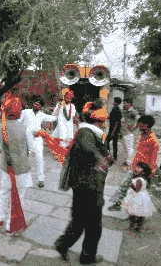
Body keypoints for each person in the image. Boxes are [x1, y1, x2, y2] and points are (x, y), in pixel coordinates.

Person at [50, 99, 113, 264]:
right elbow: (87, 149)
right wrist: (99, 159)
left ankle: (63, 245)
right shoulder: (86, 134)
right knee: (93, 225)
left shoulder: (91, 133)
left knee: (79, 222)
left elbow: (97, 153)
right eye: (104, 120)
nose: (105, 123)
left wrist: (106, 158)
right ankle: (86, 256)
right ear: (98, 119)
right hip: (88, 187)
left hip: (86, 186)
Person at [0, 93, 31, 236]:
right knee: (19, 196)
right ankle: (10, 225)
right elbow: (31, 147)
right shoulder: (24, 128)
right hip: (21, 168)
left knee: (4, 192)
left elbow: (0, 146)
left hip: (6, 167)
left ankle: (0, 218)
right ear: (17, 111)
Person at [109, 115, 159, 211]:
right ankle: (119, 204)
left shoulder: (153, 140)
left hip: (144, 170)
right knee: (125, 185)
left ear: (146, 125)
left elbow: (154, 159)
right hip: (135, 167)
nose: (138, 127)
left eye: (140, 125)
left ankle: (138, 212)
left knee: (140, 191)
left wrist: (150, 174)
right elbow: (138, 152)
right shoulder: (141, 136)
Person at [18, 99, 57, 188]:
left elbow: (53, 118)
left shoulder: (42, 115)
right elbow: (19, 122)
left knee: (39, 157)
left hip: (37, 138)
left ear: (40, 107)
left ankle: (41, 179)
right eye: (35, 103)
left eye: (38, 104)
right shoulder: (25, 112)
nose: (36, 105)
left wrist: (58, 108)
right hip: (26, 138)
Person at [121, 162, 154, 232]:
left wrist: (131, 185)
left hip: (136, 197)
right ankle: (139, 227)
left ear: (143, 172)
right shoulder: (144, 179)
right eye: (137, 167)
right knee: (141, 214)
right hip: (143, 196)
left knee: (132, 213)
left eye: (139, 168)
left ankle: (132, 226)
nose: (136, 168)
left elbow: (136, 190)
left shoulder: (139, 180)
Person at [120, 99, 139, 171]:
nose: (124, 104)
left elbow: (139, 120)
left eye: (125, 103)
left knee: (130, 149)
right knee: (125, 149)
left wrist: (133, 128)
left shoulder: (133, 112)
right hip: (124, 132)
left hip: (129, 133)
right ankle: (127, 162)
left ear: (129, 104)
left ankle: (130, 163)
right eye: (123, 103)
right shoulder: (125, 112)